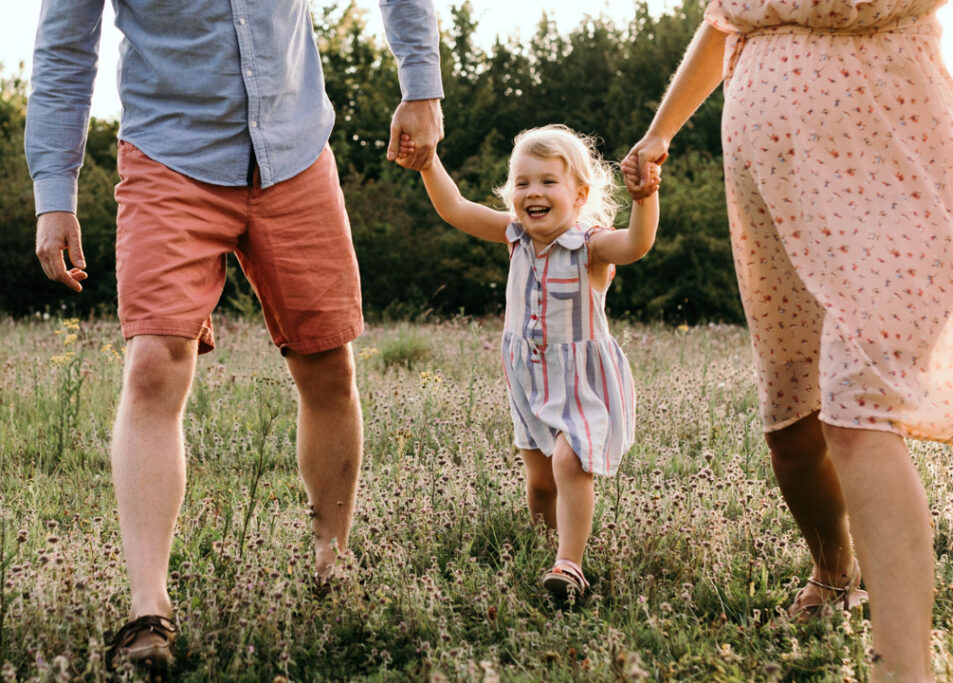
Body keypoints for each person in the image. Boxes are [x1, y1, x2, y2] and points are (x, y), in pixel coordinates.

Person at [26, 0, 444, 673]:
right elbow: (64, 52)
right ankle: (147, 610)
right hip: (169, 157)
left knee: (329, 363)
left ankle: (331, 565)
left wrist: (420, 86)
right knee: (154, 367)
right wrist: (54, 191)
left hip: (294, 150)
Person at [624, 0, 953, 680]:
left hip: (898, 165)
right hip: (773, 185)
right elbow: (728, 18)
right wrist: (660, 132)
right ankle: (835, 572)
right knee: (794, 418)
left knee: (856, 409)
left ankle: (903, 669)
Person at [397, 124, 659, 599]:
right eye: (522, 183)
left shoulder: (591, 246)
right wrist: (429, 163)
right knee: (539, 483)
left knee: (569, 460)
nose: (533, 192)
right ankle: (544, 548)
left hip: (580, 378)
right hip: (528, 376)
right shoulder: (514, 236)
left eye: (547, 182)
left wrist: (645, 199)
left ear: (579, 195)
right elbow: (455, 209)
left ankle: (569, 565)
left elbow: (636, 245)